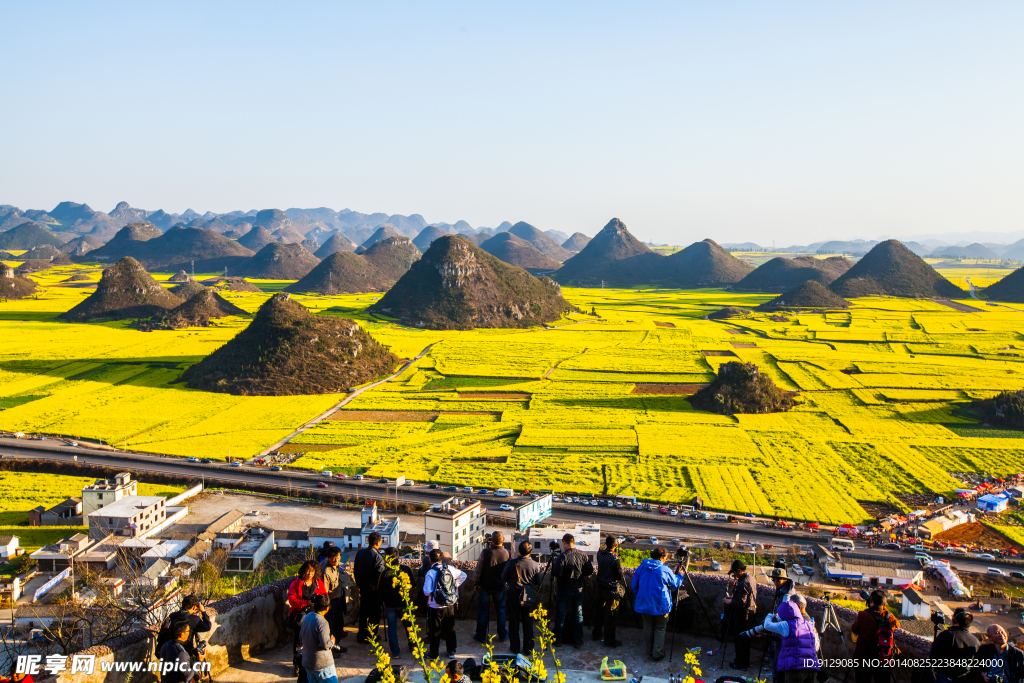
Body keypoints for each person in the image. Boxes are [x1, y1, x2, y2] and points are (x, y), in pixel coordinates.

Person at [631, 546, 684, 662]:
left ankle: (649, 650)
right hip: (661, 604)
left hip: (644, 603)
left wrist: (641, 597)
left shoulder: (641, 568)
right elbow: (675, 584)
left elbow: (634, 586)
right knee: (660, 627)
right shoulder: (664, 569)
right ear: (661, 558)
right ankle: (657, 653)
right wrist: (680, 575)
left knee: (648, 626)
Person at [761, 593, 820, 683]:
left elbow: (767, 625)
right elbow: (816, 646)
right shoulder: (809, 624)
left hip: (795, 668)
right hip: (811, 667)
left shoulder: (787, 625)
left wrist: (771, 615)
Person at [423, 547, 467, 659]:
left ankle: (433, 654)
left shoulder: (430, 572)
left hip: (435, 606)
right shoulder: (450, 569)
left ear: (430, 560)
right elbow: (463, 575)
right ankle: (451, 651)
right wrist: (454, 587)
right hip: (449, 603)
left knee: (435, 631)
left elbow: (427, 591)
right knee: (450, 628)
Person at [551, 533, 594, 649]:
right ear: (573, 542)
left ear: (564, 543)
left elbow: (555, 572)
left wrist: (563, 576)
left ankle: (558, 640)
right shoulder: (583, 555)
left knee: (560, 615)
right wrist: (580, 574)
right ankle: (578, 641)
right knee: (578, 615)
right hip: (578, 589)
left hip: (564, 589)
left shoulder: (562, 557)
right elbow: (590, 570)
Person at [851, 589, 901, 683]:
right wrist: (884, 608)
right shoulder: (890, 617)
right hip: (883, 658)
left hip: (863, 659)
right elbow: (897, 624)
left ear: (871, 601)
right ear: (884, 604)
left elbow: (854, 629)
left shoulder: (863, 615)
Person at [502, 540, 542, 655]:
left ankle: (514, 647)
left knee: (514, 621)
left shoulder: (511, 563)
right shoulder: (535, 565)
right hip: (527, 595)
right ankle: (528, 648)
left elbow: (503, 577)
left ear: (519, 550)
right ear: (530, 552)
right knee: (527, 621)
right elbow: (537, 581)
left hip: (514, 594)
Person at [288, 560, 329, 668]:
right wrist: (306, 603)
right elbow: (291, 599)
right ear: (303, 571)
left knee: (313, 640)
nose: (309, 574)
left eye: (312, 571)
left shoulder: (318, 583)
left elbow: (324, 595)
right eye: (307, 571)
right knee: (299, 641)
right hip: (301, 616)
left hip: (314, 615)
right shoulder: (297, 583)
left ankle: (310, 662)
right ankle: (297, 664)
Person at [379, 546, 417, 658]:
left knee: (392, 628)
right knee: (409, 625)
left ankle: (395, 652)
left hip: (390, 604)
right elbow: (413, 584)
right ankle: (414, 645)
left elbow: (380, 590)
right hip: (403, 602)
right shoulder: (406, 569)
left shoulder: (385, 572)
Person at [474, 531, 510, 644]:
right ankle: (502, 635)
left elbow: (478, 569)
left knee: (483, 610)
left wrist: (476, 582)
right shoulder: (508, 553)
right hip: (500, 586)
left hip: (485, 585)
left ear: (492, 541)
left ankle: (481, 635)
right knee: (501, 610)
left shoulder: (485, 552)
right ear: (503, 540)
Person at [724, 559, 758, 671]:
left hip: (744, 616)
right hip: (751, 612)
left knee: (740, 640)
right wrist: (733, 598)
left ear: (739, 570)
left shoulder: (743, 583)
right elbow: (745, 598)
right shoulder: (751, 578)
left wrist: (730, 601)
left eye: (734, 572)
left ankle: (741, 664)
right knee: (745, 640)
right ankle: (743, 662)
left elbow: (741, 603)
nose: (733, 575)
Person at [592, 534, 625, 648]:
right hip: (610, 589)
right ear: (616, 545)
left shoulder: (599, 554)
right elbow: (619, 576)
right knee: (611, 615)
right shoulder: (614, 558)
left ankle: (596, 633)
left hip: (600, 586)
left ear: (606, 544)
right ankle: (609, 639)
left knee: (598, 611)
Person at [929, 608, 978, 683]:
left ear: (955, 620)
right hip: (965, 678)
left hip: (946, 678)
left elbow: (934, 654)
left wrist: (933, 668)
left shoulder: (947, 635)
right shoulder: (975, 641)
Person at [354, 532, 386, 643]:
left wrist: (358, 582)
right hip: (374, 589)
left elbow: (355, 569)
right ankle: (371, 635)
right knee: (374, 614)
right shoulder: (377, 556)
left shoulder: (360, 553)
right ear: (378, 543)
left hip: (363, 587)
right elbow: (380, 574)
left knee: (363, 612)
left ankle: (361, 635)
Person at [300, 594, 338, 683]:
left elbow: (301, 636)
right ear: (327, 608)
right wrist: (332, 641)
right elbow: (325, 645)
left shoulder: (307, 616)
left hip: (308, 663)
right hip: (322, 665)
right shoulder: (322, 622)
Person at [319, 546, 349, 646]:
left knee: (339, 624)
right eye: (333, 558)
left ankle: (337, 645)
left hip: (338, 598)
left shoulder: (336, 566)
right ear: (328, 557)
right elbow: (324, 591)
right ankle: (331, 647)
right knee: (331, 626)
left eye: (338, 557)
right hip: (330, 601)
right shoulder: (326, 571)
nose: (336, 560)